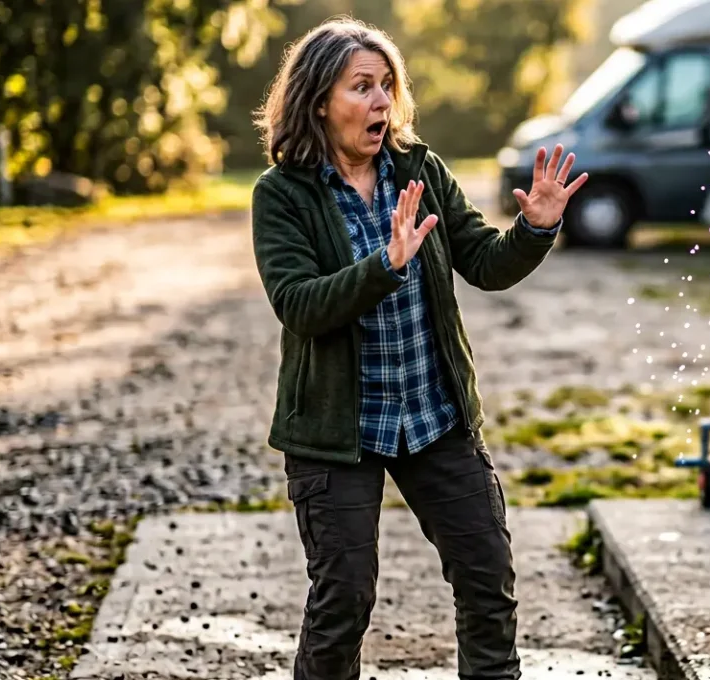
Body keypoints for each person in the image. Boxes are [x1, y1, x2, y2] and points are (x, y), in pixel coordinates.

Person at [248, 17, 588, 680]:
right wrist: (385, 264)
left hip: (433, 416)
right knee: (343, 600)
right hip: (337, 431)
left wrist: (535, 229)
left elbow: (485, 262)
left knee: (487, 578)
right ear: (319, 102)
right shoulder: (282, 195)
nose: (381, 101)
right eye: (361, 87)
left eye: (386, 85)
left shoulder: (418, 168)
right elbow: (300, 306)